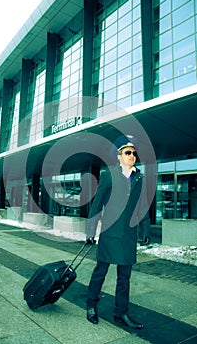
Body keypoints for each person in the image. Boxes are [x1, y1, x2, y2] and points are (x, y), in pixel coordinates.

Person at [85, 134, 151, 329]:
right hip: (109, 233)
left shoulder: (140, 178)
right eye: (128, 152)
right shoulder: (108, 176)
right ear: (118, 156)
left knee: (125, 277)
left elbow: (143, 207)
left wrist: (145, 228)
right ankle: (91, 306)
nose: (132, 155)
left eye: (134, 153)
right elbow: (97, 205)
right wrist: (90, 230)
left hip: (128, 236)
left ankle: (121, 313)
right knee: (100, 272)